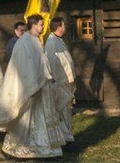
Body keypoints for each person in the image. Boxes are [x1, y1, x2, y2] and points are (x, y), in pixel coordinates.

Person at [0, 14, 66, 160]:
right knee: (23, 120)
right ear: (34, 25)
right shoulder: (24, 42)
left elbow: (41, 62)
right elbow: (22, 66)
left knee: (39, 119)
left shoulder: (36, 40)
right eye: (41, 24)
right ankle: (13, 150)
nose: (43, 27)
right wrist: (30, 86)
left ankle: (41, 149)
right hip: (28, 88)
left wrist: (48, 75)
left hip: (40, 86)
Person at [45, 16, 76, 148]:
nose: (65, 27)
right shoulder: (52, 42)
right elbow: (51, 62)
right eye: (63, 25)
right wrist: (54, 81)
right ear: (58, 27)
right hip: (58, 83)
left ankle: (66, 137)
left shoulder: (58, 40)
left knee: (66, 111)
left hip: (65, 82)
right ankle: (64, 139)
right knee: (61, 111)